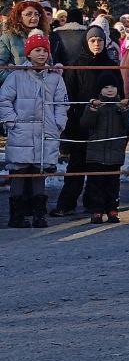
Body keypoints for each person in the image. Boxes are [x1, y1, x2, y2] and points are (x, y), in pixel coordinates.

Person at [52, 25, 121, 217]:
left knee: (99, 167)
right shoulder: (76, 65)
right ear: (86, 42)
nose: (97, 44)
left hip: (105, 124)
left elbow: (120, 92)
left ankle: (95, 205)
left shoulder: (110, 65)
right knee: (77, 165)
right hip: (81, 123)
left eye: (99, 40)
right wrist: (69, 126)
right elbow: (68, 96)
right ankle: (66, 204)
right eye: (92, 40)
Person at [1, 34, 67, 228]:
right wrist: (11, 121)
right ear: (28, 53)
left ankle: (39, 214)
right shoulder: (17, 76)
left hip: (46, 130)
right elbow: (3, 99)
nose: (42, 54)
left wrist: (58, 124)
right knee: (19, 171)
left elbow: (61, 103)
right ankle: (17, 215)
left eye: (45, 50)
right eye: (37, 50)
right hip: (21, 130)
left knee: (40, 172)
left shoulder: (55, 78)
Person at [79, 74, 129, 224]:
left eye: (113, 87)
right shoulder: (94, 105)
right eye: (106, 87)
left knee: (113, 184)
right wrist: (92, 109)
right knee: (96, 184)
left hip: (115, 152)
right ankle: (96, 211)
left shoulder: (122, 105)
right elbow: (85, 124)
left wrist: (125, 110)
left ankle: (112, 210)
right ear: (99, 90)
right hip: (96, 153)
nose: (110, 90)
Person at [0, 0, 45, 67]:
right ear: (19, 17)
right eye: (29, 14)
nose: (34, 17)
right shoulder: (7, 38)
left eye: (37, 14)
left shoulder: (42, 36)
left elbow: (49, 63)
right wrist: (16, 75)